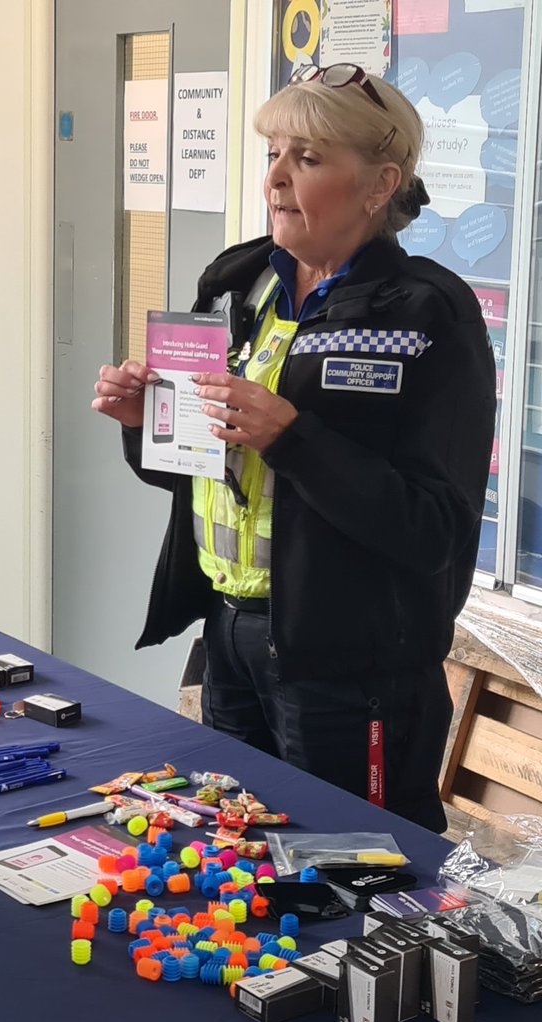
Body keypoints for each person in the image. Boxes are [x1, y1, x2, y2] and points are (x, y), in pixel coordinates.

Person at [93, 64, 495, 833]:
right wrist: (146, 423)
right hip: (231, 637)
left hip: (351, 671)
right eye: (273, 152)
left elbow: (435, 529)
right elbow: (201, 473)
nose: (275, 177)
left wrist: (292, 437)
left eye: (306, 158)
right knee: (237, 858)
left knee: (349, 875)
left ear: (379, 185)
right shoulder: (239, 282)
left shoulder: (427, 313)